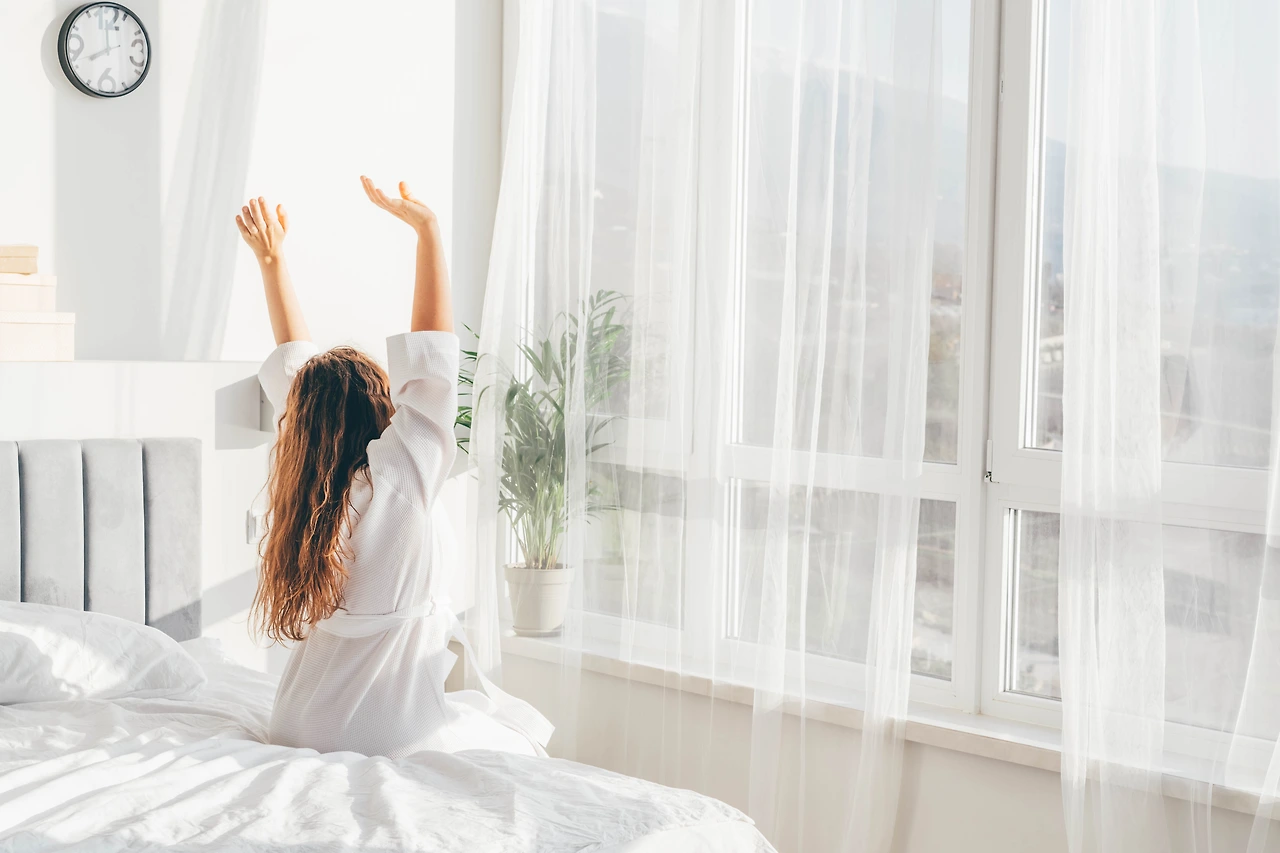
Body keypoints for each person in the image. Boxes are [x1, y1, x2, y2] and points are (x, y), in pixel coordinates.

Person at [235, 178, 551, 759]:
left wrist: (272, 262)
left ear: (301, 424)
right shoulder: (396, 481)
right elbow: (431, 371)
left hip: (298, 721)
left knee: (493, 723)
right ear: (381, 409)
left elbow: (296, 378)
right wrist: (427, 232)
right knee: (519, 739)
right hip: (376, 731)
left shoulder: (311, 488)